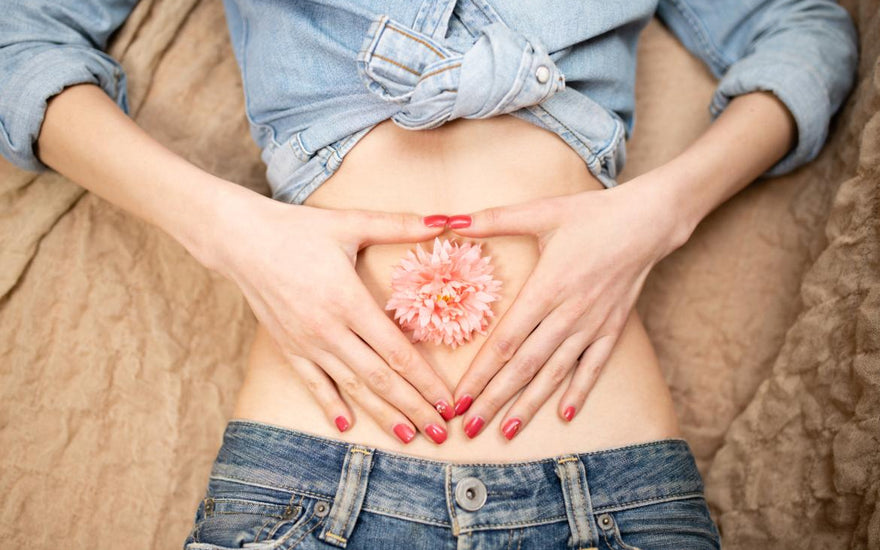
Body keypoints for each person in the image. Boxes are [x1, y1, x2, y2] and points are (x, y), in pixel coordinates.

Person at [0, 0, 858, 548]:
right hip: (311, 492)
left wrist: (662, 210)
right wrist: (230, 228)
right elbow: (17, 36)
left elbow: (807, 29)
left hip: (608, 488)